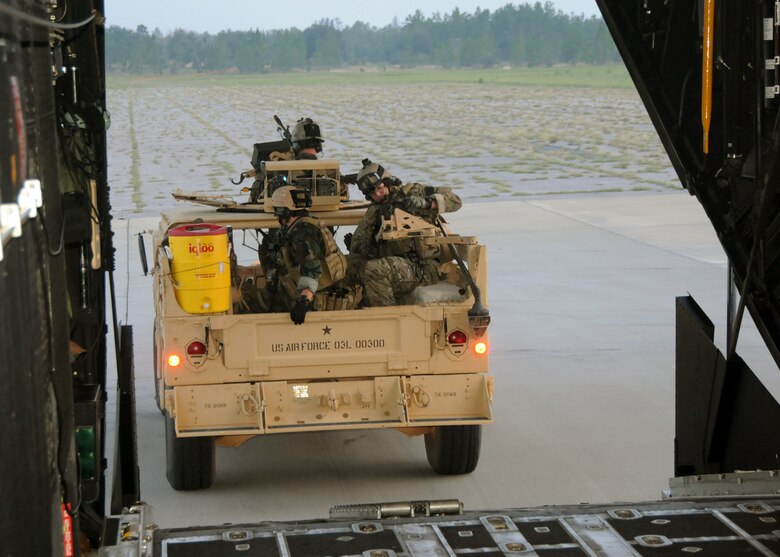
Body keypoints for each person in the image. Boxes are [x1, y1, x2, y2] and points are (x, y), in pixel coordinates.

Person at [348, 159, 462, 307]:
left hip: (423, 267)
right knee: (350, 266)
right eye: (372, 193)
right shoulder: (374, 212)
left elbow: (456, 201)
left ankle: (389, 318)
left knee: (375, 269)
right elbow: (361, 244)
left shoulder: (412, 193)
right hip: (396, 265)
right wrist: (361, 246)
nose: (378, 194)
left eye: (380, 188)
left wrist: (427, 203)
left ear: (386, 182)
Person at [257, 186, 347, 324]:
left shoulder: (302, 234)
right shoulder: (307, 224)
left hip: (314, 295)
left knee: (250, 301)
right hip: (317, 288)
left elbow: (312, 269)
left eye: (277, 211)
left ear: (283, 211)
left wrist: (304, 301)